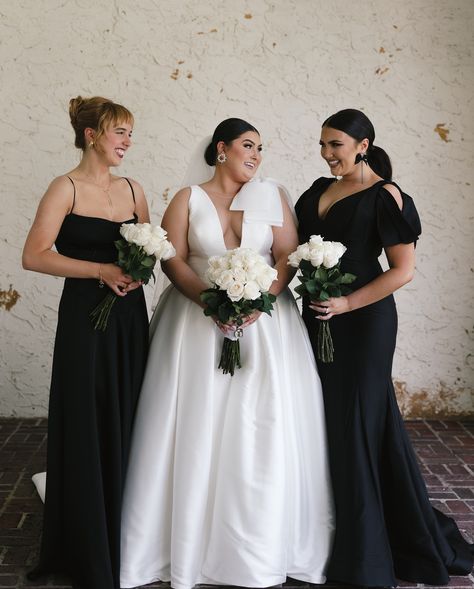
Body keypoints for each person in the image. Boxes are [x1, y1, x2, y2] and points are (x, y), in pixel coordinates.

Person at [120, 118, 334, 589]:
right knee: (195, 421)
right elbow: (173, 257)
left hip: (265, 327)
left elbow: (285, 255)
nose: (256, 155)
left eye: (260, 148)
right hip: (193, 325)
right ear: (221, 149)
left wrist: (259, 302)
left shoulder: (272, 195)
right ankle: (180, 541)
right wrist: (210, 302)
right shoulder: (187, 198)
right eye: (247, 146)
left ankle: (257, 545)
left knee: (259, 425)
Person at [295, 108, 473, 587]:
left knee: (357, 418)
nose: (327, 154)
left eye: (336, 145)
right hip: (315, 317)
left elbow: (402, 270)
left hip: (364, 320)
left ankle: (366, 546)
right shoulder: (316, 191)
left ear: (363, 145)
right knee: (321, 416)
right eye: (323, 144)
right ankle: (319, 530)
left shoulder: (387, 196)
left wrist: (348, 302)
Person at [22, 96, 150, 589]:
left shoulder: (136, 190)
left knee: (129, 409)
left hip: (128, 319)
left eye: (130, 133)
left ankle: (127, 530)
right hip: (84, 318)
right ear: (92, 135)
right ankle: (86, 538)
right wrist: (100, 270)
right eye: (120, 132)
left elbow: (149, 249)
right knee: (87, 415)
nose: (127, 142)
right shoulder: (65, 188)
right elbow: (34, 256)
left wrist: (140, 270)